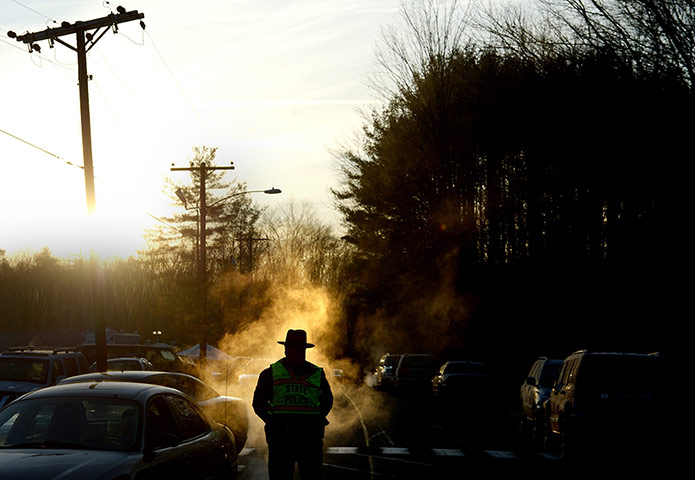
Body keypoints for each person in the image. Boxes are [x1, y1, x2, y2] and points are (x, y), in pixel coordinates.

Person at [253, 329, 333, 480]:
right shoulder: (270, 374)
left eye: (298, 349)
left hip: (305, 439)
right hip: (285, 439)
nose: (295, 352)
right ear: (285, 349)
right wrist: (275, 423)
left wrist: (274, 423)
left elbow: (327, 401)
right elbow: (258, 404)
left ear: (304, 350)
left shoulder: (317, 374)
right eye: (292, 348)